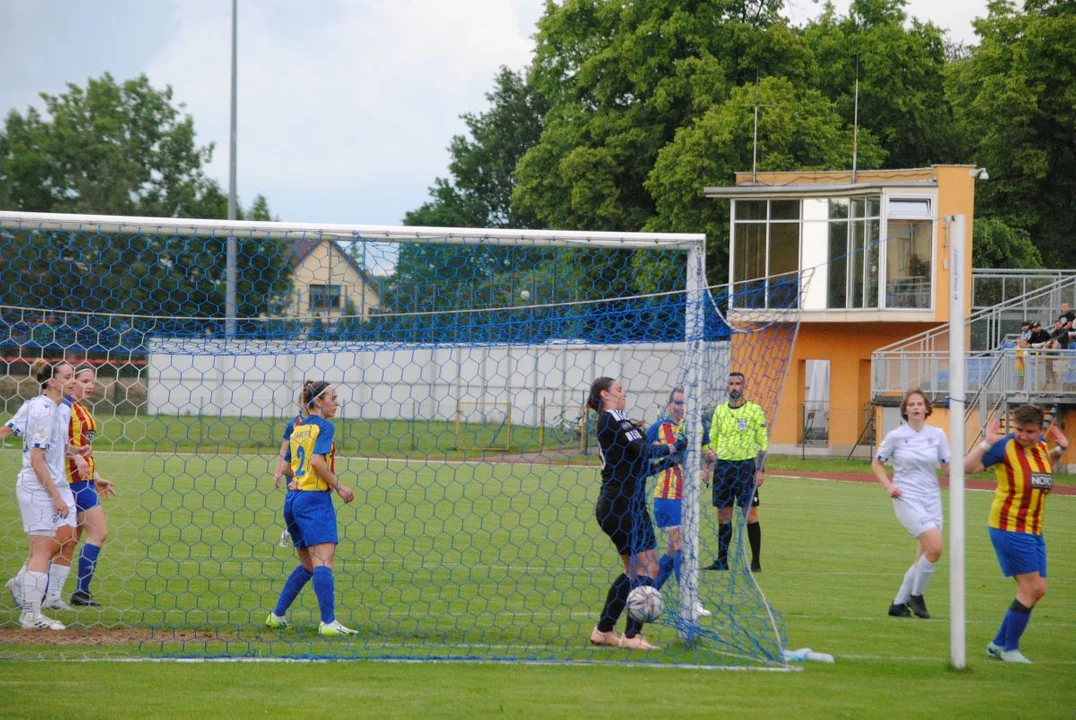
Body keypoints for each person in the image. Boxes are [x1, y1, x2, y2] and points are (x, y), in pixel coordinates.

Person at [964, 405, 1068, 663]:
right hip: (1009, 526)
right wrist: (986, 443)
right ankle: (1008, 648)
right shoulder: (1004, 447)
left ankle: (998, 644)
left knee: (1039, 589)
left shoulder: (1042, 447)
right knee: (1030, 587)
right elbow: (966, 467)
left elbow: (1042, 471)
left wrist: (1060, 450)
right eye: (1019, 430)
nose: (1023, 436)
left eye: (1030, 431)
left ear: (1040, 431)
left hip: (1034, 529)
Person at [587, 376, 674, 651]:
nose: (624, 393)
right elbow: (644, 450)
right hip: (622, 505)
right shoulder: (614, 419)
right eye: (619, 389)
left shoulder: (619, 422)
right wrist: (674, 445)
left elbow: (640, 466)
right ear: (605, 394)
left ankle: (603, 631)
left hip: (621, 504)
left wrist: (670, 459)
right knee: (647, 567)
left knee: (634, 570)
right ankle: (632, 635)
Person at [265, 380, 357, 636]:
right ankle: (328, 623)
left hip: (293, 501)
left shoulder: (298, 428)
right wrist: (339, 486)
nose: (337, 402)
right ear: (318, 401)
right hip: (314, 501)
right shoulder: (324, 427)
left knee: (308, 564)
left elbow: (285, 468)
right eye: (333, 398)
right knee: (324, 562)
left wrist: (302, 476)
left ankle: (277, 616)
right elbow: (316, 461)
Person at [871, 390, 951, 619]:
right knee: (935, 547)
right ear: (905, 410)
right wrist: (889, 486)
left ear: (927, 408)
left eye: (920, 403)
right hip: (906, 497)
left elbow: (948, 465)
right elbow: (877, 464)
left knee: (925, 554)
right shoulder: (896, 436)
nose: (916, 407)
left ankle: (898, 604)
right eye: (911, 404)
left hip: (932, 498)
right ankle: (916, 594)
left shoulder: (937, 434)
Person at [42, 366, 116, 609]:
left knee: (67, 541)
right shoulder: (65, 407)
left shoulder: (82, 408)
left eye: (92, 381)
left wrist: (95, 477)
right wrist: (78, 463)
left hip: (83, 480)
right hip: (71, 482)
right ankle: (78, 590)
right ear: (72, 381)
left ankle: (51, 595)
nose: (89, 385)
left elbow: (80, 449)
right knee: (98, 532)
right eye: (84, 380)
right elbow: (58, 447)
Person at [10, 359, 77, 629]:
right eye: (68, 376)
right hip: (37, 486)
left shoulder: (52, 407)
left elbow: (45, 449)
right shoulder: (45, 410)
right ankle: (31, 615)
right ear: (52, 381)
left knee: (44, 547)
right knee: (41, 549)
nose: (73, 381)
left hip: (40, 484)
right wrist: (57, 497)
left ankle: (29, 605)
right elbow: (37, 460)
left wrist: (74, 453)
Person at [647, 387, 710, 618]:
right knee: (681, 545)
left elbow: (706, 453)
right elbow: (641, 451)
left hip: (686, 497)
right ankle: (689, 599)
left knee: (672, 550)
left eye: (684, 403)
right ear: (669, 403)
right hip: (666, 495)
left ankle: (648, 593)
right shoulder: (659, 428)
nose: (680, 407)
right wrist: (660, 450)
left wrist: (707, 465)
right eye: (676, 402)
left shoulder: (697, 427)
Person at [703, 372, 767, 573]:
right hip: (723, 468)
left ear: (743, 386)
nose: (734, 387)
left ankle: (755, 562)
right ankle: (722, 560)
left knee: (750, 515)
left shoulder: (754, 410)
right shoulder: (720, 411)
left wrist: (761, 470)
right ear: (726, 386)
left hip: (746, 468)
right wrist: (708, 461)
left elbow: (762, 442)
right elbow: (711, 440)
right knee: (723, 515)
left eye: (738, 383)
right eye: (731, 384)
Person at [272, 392, 311, 548]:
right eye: (303, 401)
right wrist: (277, 472)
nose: (306, 405)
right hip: (293, 472)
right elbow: (284, 449)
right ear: (299, 403)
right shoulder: (293, 424)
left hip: (310, 474)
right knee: (298, 505)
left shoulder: (318, 424)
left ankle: (290, 532)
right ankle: (293, 533)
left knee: (306, 505)